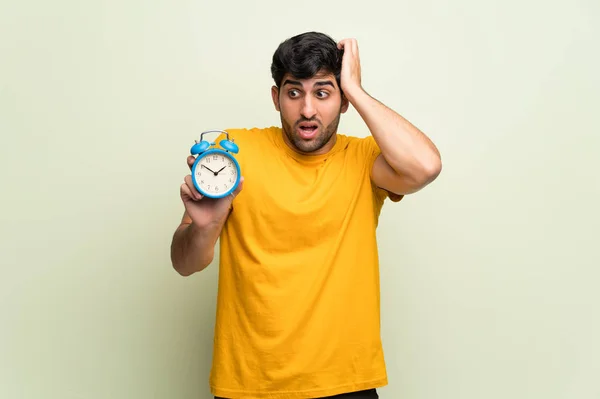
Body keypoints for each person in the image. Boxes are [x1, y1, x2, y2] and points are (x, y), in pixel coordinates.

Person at [170, 31, 442, 399]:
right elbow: (185, 263)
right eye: (294, 92)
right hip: (249, 385)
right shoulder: (233, 153)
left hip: (345, 382)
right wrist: (206, 226)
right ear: (276, 98)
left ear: (343, 101)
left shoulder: (364, 160)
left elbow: (425, 167)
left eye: (323, 92)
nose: (308, 110)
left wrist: (357, 90)